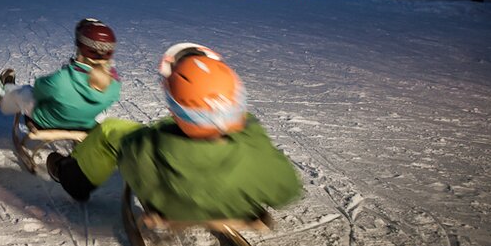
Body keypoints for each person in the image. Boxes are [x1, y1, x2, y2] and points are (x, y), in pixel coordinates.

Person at [46, 43, 301, 221]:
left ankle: (72, 178)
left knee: (110, 130)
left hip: (174, 206)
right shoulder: (258, 151)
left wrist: (160, 132)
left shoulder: (152, 149)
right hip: (235, 202)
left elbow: (137, 172)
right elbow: (287, 189)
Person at [0, 18, 121, 130]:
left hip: (48, 121)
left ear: (80, 48)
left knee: (24, 92)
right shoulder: (115, 84)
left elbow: (39, 90)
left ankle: (7, 90)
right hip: (85, 124)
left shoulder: (63, 79)